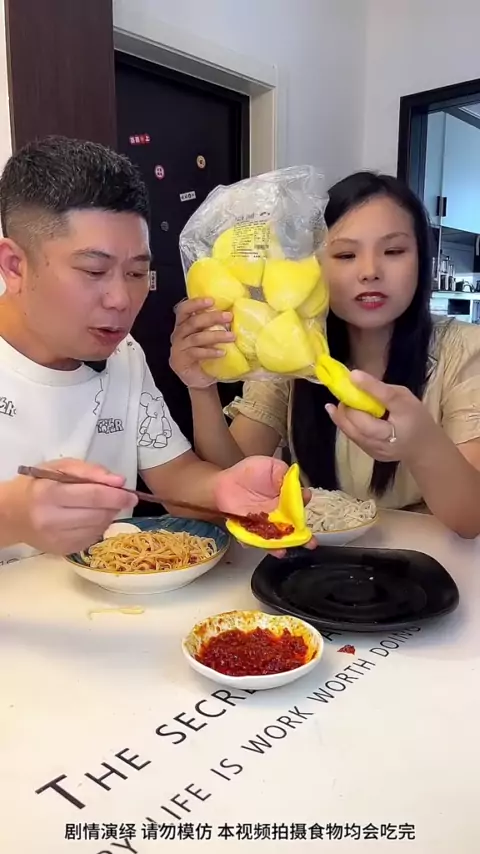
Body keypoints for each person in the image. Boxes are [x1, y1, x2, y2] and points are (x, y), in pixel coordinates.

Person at [0, 135, 309, 565]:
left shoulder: (123, 352)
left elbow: (175, 474)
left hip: (107, 600)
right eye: (94, 270)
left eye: (136, 273)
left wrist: (223, 488)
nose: (121, 300)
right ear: (14, 266)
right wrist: (12, 516)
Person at [170, 171, 480, 538]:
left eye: (394, 251)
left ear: (422, 259)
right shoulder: (291, 348)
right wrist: (201, 387)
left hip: (426, 560)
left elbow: (471, 519)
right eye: (346, 254)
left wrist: (422, 443)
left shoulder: (463, 351)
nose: (370, 272)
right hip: (314, 559)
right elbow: (231, 479)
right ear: (314, 264)